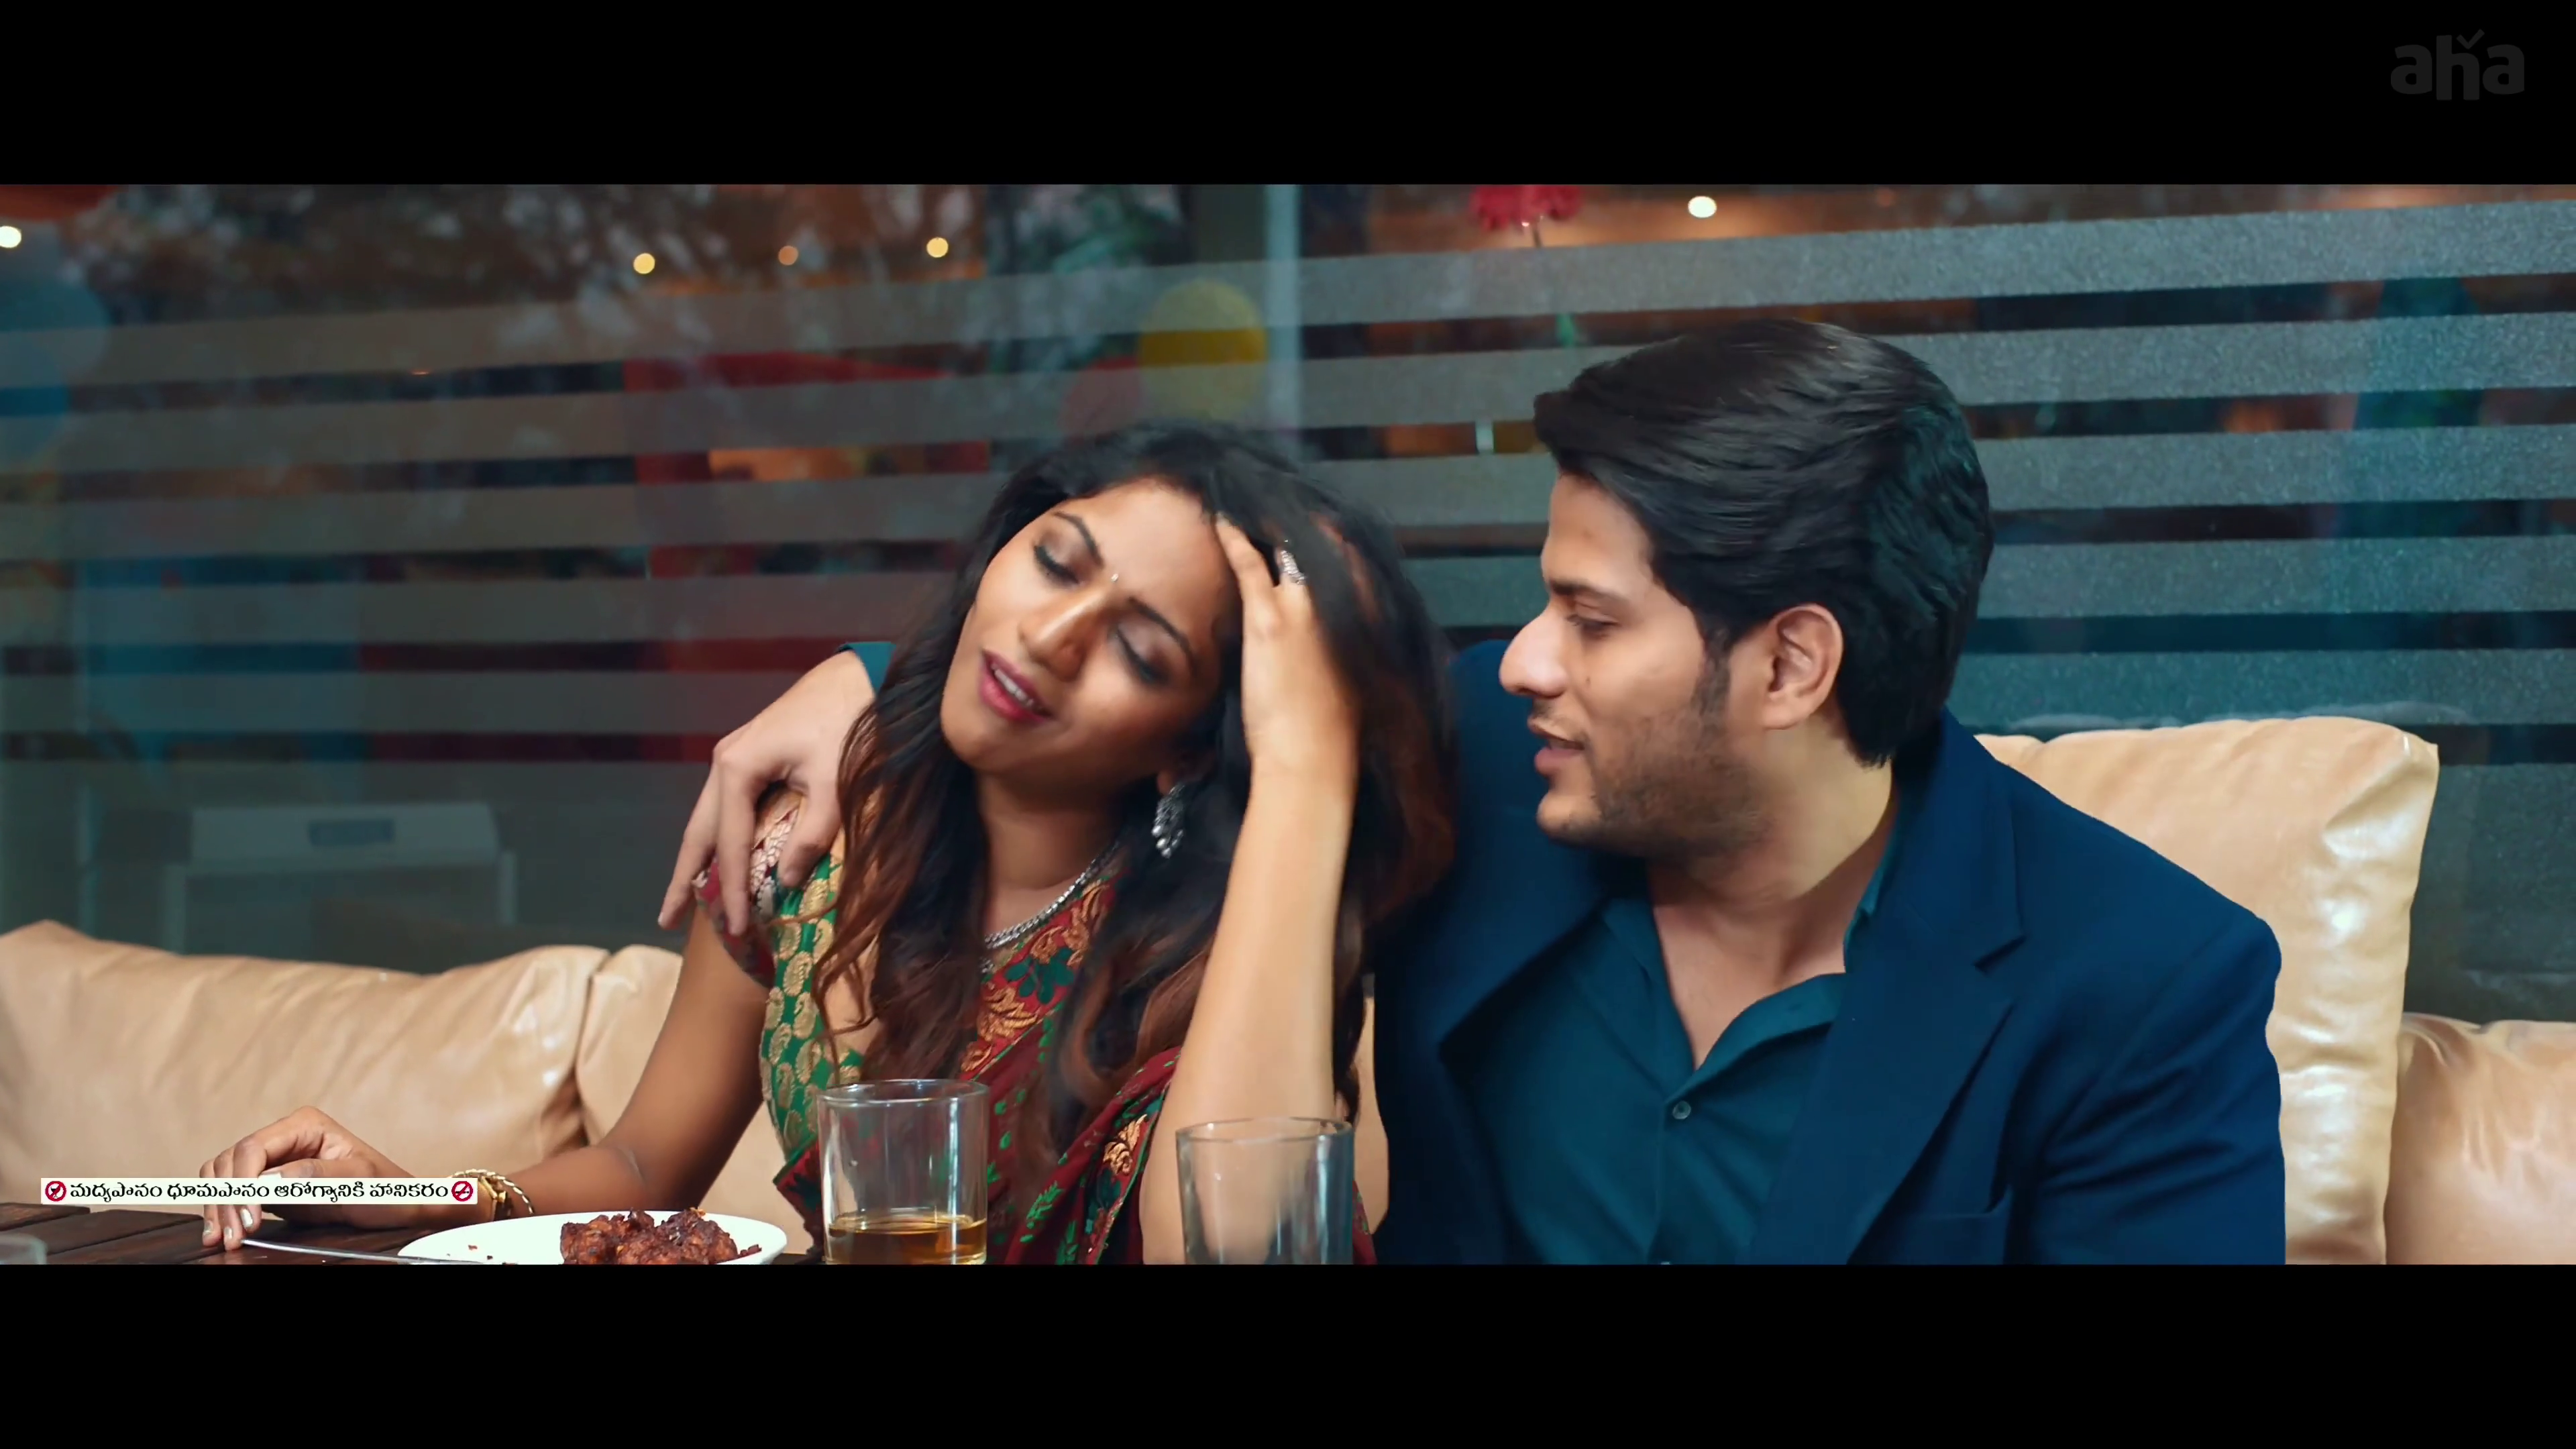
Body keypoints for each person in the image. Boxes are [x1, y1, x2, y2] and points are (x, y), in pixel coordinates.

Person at [680, 319, 2290, 1265]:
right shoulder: (1486, 772)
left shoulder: (2141, 986)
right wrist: (864, 695)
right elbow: (1104, 716)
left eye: (1591, 620)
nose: (1520, 660)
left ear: (1794, 664)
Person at [194, 420, 1457, 1265]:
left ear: (1192, 745)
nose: (1051, 635)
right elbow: (643, 1162)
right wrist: (413, 1197)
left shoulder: (1218, 945)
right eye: (1056, 561)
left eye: (1139, 649)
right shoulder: (817, 841)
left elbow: (1239, 1248)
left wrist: (1304, 767)